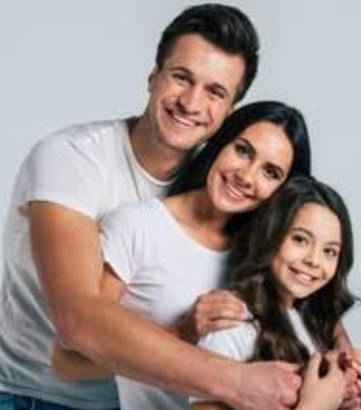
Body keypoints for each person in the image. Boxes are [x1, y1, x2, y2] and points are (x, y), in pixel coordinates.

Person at [0, 4, 305, 410]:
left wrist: (346, 361)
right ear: (153, 76)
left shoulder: (221, 188)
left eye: (215, 92)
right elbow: (78, 321)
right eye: (182, 77)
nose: (191, 103)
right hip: (30, 395)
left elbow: (304, 278)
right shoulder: (71, 159)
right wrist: (233, 380)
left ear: (229, 112)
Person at [51, 101, 312, 409]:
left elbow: (318, 317)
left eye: (270, 172)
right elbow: (68, 363)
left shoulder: (269, 255)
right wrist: (182, 331)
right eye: (243, 151)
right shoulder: (138, 227)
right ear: (220, 142)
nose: (246, 176)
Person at [189, 176, 361, 410]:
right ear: (270, 234)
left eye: (330, 251)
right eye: (301, 240)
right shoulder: (231, 324)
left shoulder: (313, 325)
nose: (314, 260)